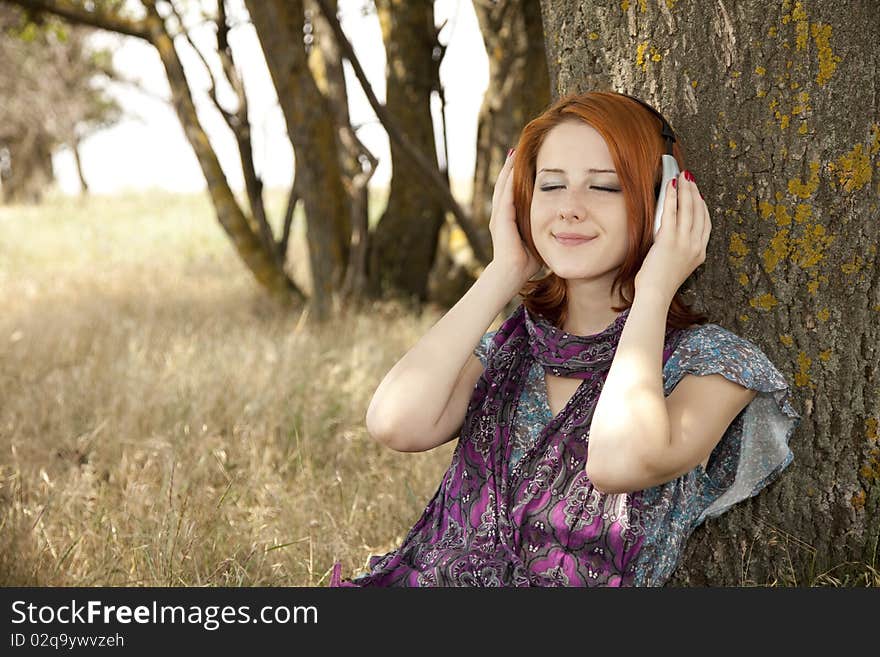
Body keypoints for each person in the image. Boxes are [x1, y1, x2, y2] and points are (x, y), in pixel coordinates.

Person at [330, 90, 801, 587]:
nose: (569, 209)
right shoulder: (513, 351)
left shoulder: (713, 365)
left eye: (604, 188)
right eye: (550, 186)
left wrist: (656, 287)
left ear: (664, 203)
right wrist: (505, 268)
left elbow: (619, 461)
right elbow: (394, 422)